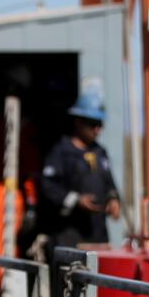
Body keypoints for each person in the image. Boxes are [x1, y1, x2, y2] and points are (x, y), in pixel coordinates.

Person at [36, 89, 121, 251]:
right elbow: (48, 187)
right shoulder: (61, 152)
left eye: (100, 124)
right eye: (92, 124)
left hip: (98, 237)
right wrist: (76, 201)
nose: (97, 130)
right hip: (68, 237)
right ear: (78, 121)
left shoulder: (100, 153)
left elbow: (110, 184)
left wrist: (113, 199)